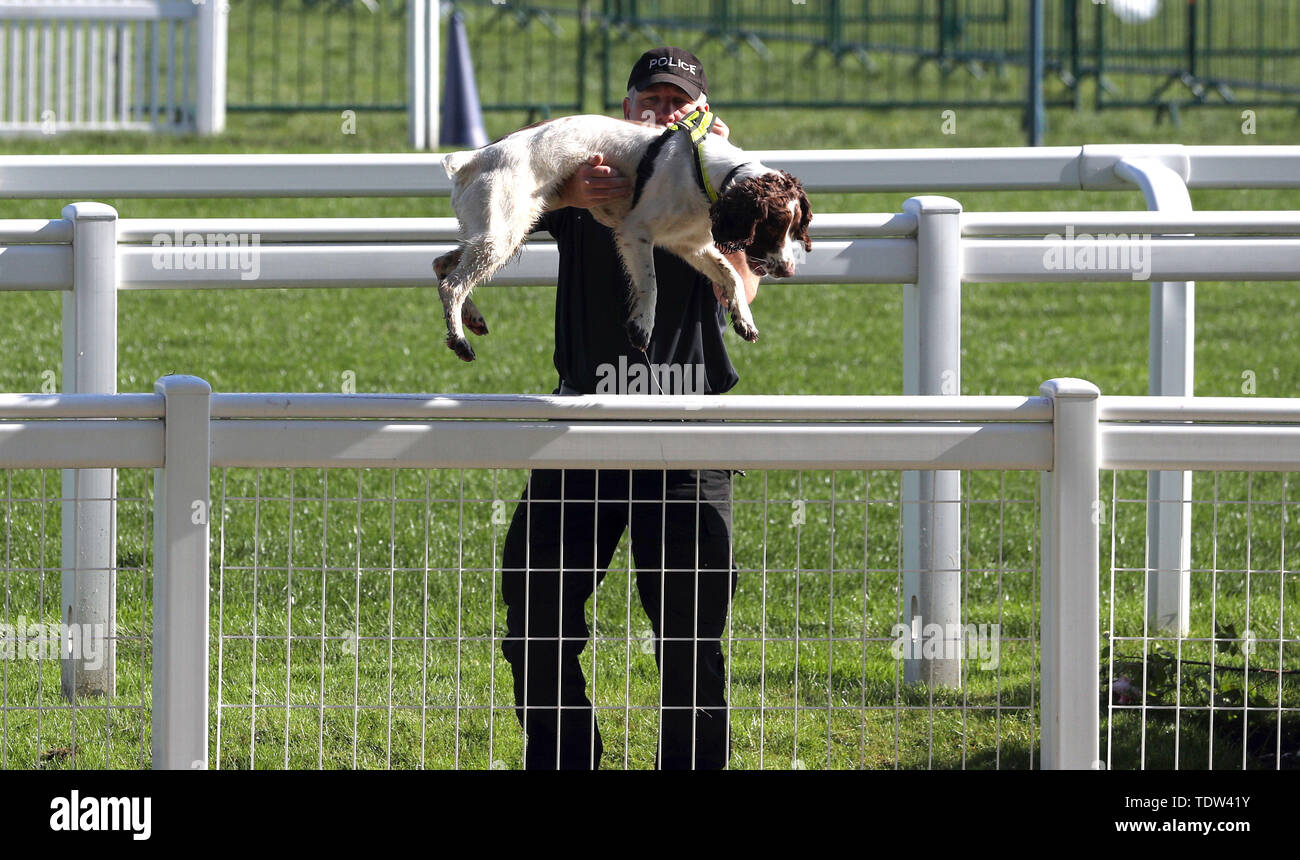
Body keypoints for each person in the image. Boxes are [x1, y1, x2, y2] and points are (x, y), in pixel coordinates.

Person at [499, 46, 761, 770]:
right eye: (650, 100)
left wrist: (714, 195)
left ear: (701, 114)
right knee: (536, 622)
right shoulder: (587, 169)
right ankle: (564, 761)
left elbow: (746, 274)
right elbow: (508, 192)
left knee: (690, 643)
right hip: (579, 437)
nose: (662, 112)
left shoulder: (719, 180)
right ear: (624, 110)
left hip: (688, 443)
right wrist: (572, 191)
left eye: (677, 102)